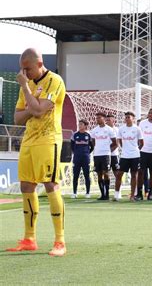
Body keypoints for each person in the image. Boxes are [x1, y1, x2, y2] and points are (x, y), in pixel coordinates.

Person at [6, 48, 67, 256]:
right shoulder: (29, 85)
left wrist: (26, 93)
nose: (24, 74)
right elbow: (17, 118)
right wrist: (32, 103)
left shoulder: (54, 81)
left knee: (50, 183)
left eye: (28, 69)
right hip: (29, 141)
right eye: (22, 70)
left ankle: (60, 241)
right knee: (26, 185)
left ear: (39, 63)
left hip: (48, 140)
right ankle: (29, 238)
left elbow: (39, 111)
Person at [115, 112, 143, 201]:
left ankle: (132, 196)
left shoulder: (137, 129)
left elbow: (141, 143)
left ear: (133, 118)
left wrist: (135, 149)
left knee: (134, 175)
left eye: (128, 117)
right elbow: (118, 140)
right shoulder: (121, 128)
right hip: (124, 156)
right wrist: (122, 147)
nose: (127, 119)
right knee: (119, 174)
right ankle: (116, 195)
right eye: (126, 117)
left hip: (135, 155)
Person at [91, 112, 117, 200]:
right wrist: (97, 148)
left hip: (106, 154)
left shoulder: (109, 129)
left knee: (106, 173)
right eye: (97, 118)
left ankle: (107, 194)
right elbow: (93, 142)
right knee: (99, 174)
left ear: (104, 119)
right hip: (97, 154)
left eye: (99, 118)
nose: (97, 119)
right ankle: (102, 194)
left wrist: (108, 150)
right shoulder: (94, 130)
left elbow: (115, 142)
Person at [138, 108, 152, 200]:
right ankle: (139, 193)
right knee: (141, 172)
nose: (150, 114)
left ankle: (151, 193)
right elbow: (139, 136)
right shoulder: (142, 123)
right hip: (143, 151)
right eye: (149, 113)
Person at [70, 119, 94, 198]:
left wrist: (87, 153)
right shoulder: (75, 135)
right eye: (79, 124)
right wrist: (76, 153)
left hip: (85, 158)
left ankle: (87, 193)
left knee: (86, 175)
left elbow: (92, 147)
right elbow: (72, 146)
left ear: (85, 126)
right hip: (77, 158)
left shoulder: (88, 135)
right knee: (75, 175)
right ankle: (74, 193)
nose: (79, 126)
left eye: (81, 124)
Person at [105, 114, 120, 198]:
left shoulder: (117, 130)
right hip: (105, 155)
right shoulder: (104, 130)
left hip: (114, 155)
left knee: (117, 173)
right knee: (105, 173)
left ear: (113, 121)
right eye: (106, 120)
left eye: (109, 120)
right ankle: (105, 192)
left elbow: (117, 143)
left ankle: (118, 191)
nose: (107, 122)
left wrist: (109, 151)